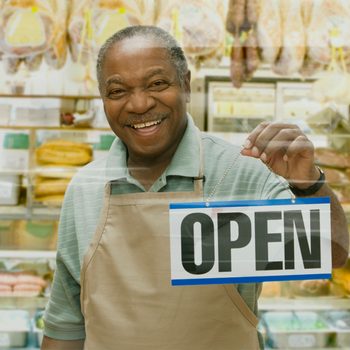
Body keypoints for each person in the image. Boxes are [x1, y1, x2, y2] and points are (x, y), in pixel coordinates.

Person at [41, 25, 349, 350]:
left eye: (157, 84)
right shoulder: (84, 189)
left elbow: (331, 254)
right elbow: (65, 325)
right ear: (103, 98)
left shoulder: (243, 172)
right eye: (118, 91)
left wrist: (308, 183)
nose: (139, 103)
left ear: (186, 85)